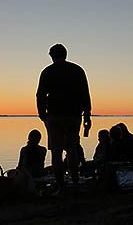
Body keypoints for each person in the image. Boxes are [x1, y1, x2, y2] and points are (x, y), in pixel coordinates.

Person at [36, 44, 92, 190]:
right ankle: (74, 181)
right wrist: (87, 115)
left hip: (54, 116)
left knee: (56, 151)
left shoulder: (47, 71)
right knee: (72, 148)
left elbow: (40, 95)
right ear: (65, 54)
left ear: (52, 56)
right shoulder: (78, 70)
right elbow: (85, 94)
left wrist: (43, 115)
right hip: (73, 116)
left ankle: (61, 184)